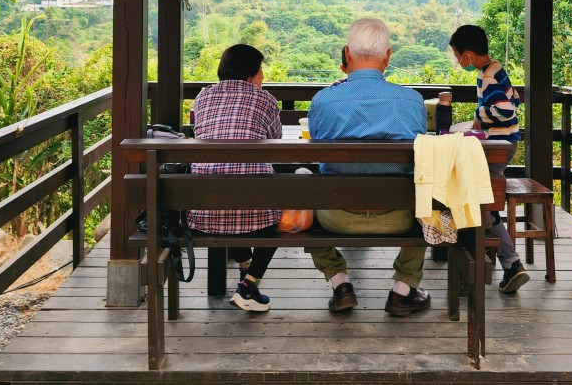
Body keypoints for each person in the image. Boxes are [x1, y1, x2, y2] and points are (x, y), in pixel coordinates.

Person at [306, 18, 430, 317]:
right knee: (428, 194)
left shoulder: (323, 101)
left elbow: (317, 156)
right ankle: (403, 290)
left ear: (347, 54)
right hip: (399, 218)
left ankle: (339, 283)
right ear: (388, 56)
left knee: (303, 188)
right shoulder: (412, 101)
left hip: (336, 217)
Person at [187, 44, 281, 312]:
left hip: (203, 206)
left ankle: (246, 276)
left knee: (235, 199)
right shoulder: (265, 99)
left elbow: (200, 131)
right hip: (254, 209)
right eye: (261, 69)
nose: (263, 76)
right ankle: (248, 285)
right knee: (277, 217)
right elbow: (274, 139)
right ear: (251, 72)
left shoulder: (203, 97)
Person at [449, 24, 531, 294]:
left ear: (467, 55)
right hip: (501, 143)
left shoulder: (489, 76)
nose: (457, 61)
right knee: (486, 201)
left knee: (484, 203)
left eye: (457, 55)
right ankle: (502, 262)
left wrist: (478, 116)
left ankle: (509, 262)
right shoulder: (493, 70)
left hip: (498, 145)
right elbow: (515, 99)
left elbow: (506, 110)